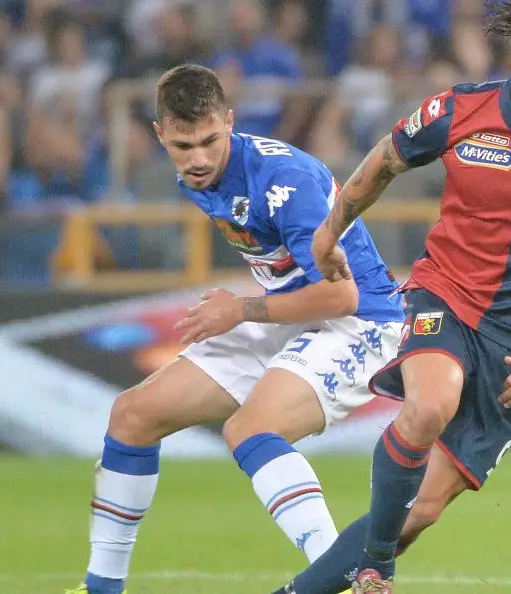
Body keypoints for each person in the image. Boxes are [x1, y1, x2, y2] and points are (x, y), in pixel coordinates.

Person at [273, 0, 511, 592]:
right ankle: (376, 567)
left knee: (417, 512)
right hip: (444, 298)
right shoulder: (460, 109)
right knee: (428, 405)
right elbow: (387, 159)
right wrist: (330, 229)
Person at [65, 64, 404, 594]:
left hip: (360, 321)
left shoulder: (284, 181)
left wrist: (241, 310)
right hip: (291, 311)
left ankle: (344, 577)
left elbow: (343, 294)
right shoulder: (200, 173)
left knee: (250, 430)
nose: (197, 159)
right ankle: (101, 588)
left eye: (208, 141)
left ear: (230, 121)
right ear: (161, 134)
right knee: (133, 415)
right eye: (182, 145)